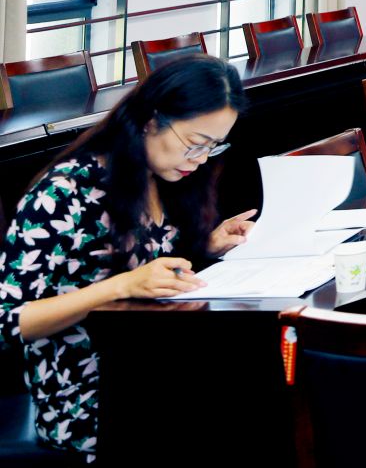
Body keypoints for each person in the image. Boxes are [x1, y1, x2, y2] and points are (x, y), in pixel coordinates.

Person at [0, 58, 255, 459]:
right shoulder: (65, 194)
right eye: (195, 143)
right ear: (151, 121)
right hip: (89, 390)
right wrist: (117, 288)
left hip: (155, 364)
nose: (202, 158)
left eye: (213, 146)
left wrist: (205, 245)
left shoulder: (167, 177)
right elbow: (9, 322)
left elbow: (148, 260)